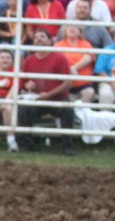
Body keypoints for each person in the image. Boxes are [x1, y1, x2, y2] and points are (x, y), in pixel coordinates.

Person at [18, 28, 75, 156]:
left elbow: (68, 83)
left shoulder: (60, 58)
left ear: (50, 41)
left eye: (42, 36)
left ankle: (67, 147)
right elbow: (23, 83)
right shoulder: (29, 60)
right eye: (36, 37)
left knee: (67, 110)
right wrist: (27, 86)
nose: (38, 39)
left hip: (58, 98)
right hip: (37, 99)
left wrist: (49, 94)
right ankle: (27, 145)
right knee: (24, 110)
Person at [94, 28, 115, 106]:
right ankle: (106, 113)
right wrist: (111, 82)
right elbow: (100, 70)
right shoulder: (107, 50)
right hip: (108, 81)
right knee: (106, 94)